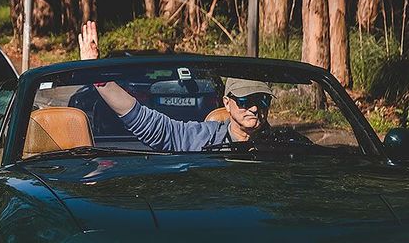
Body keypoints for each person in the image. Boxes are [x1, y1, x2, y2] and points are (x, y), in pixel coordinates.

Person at [77, 21, 273, 152]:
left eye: (262, 100)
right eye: (245, 100)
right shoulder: (205, 137)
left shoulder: (283, 144)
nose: (254, 108)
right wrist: (98, 76)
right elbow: (149, 124)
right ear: (227, 103)